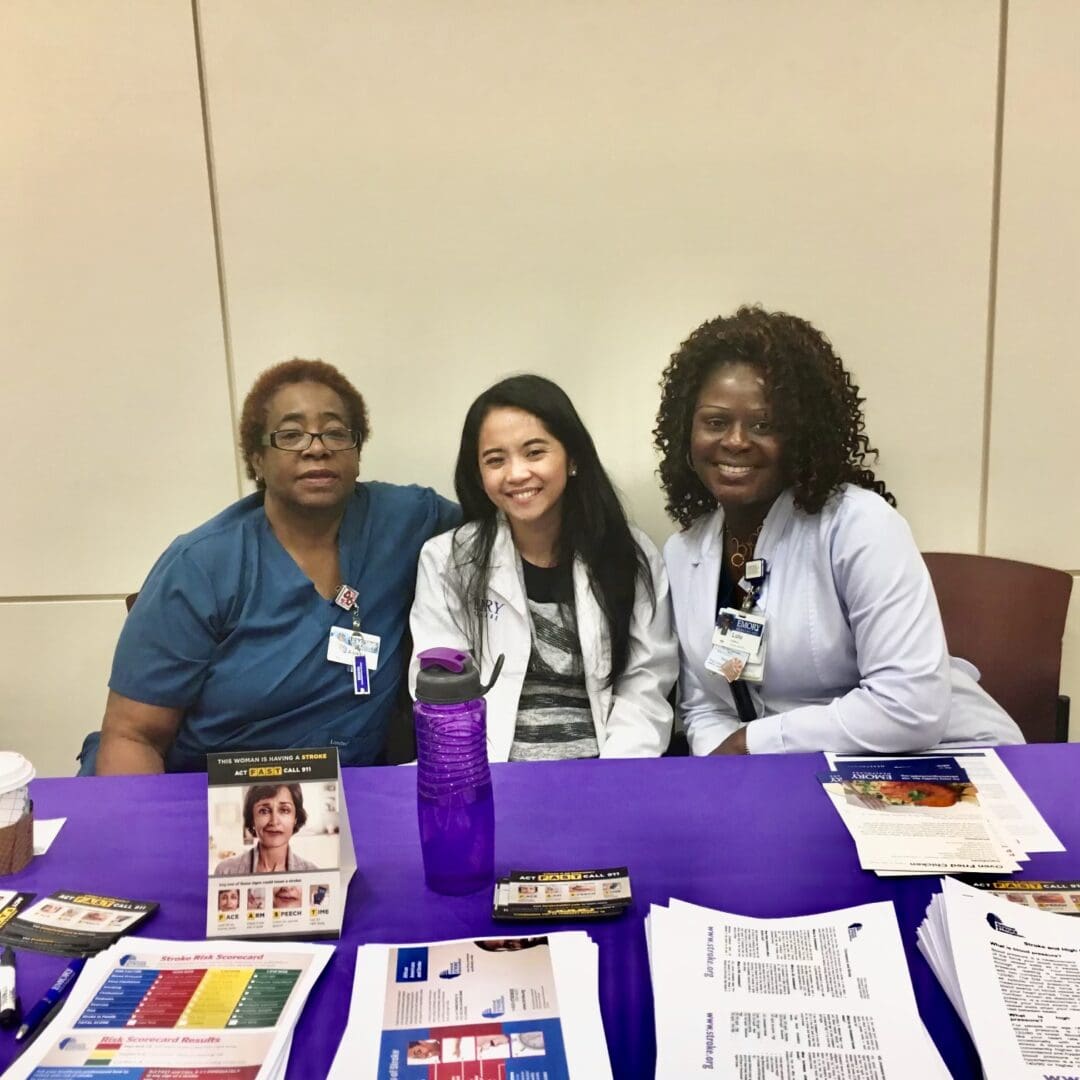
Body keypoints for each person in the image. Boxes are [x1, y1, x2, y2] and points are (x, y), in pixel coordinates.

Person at [655, 305, 1024, 756]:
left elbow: (909, 709)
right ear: (685, 432)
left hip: (943, 760)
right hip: (790, 777)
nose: (735, 440)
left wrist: (752, 744)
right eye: (715, 422)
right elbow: (707, 706)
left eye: (763, 425)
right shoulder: (684, 553)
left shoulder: (859, 526)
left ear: (802, 435)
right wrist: (728, 774)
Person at [83, 359, 459, 775]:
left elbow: (502, 525)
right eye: (291, 434)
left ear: (357, 452)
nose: (317, 447)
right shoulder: (201, 566)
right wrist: (152, 835)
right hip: (208, 800)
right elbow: (133, 736)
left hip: (347, 799)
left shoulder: (405, 521)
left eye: (335, 432)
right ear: (257, 459)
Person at [409, 375, 677, 761]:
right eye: (496, 460)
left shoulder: (629, 554)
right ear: (479, 474)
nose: (517, 474)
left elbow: (646, 683)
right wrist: (479, 780)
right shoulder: (448, 560)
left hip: (606, 766)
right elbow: (440, 686)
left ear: (572, 459)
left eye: (535, 452)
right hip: (489, 769)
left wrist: (613, 778)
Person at [215, 783, 316, 875]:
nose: (274, 821)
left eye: (284, 810)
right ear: (252, 819)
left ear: (296, 818)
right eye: (264, 811)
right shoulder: (225, 871)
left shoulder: (312, 873)